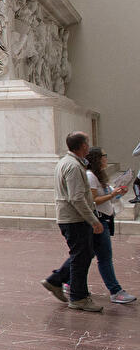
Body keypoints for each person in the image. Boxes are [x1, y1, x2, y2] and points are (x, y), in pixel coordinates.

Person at [40, 132, 105, 312]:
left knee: (83, 254)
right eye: (87, 143)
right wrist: (93, 220)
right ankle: (78, 297)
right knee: (81, 258)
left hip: (72, 218)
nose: (89, 146)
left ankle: (57, 281)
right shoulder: (73, 166)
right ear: (83, 146)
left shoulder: (67, 162)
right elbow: (76, 198)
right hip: (75, 219)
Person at [82, 146, 135, 304]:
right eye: (104, 155)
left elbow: (106, 196)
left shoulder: (99, 176)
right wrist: (112, 194)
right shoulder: (90, 176)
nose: (106, 158)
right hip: (98, 221)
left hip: (104, 220)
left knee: (86, 255)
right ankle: (115, 291)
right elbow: (93, 200)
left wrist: (117, 193)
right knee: (103, 257)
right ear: (97, 158)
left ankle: (66, 281)